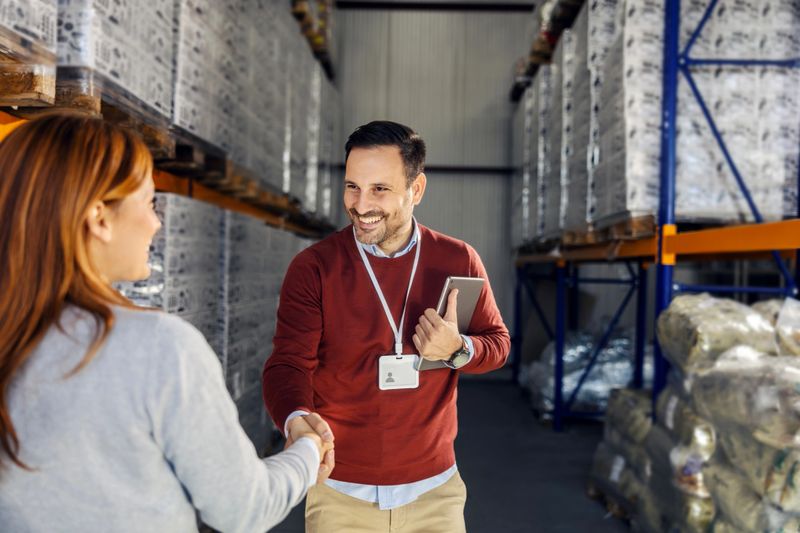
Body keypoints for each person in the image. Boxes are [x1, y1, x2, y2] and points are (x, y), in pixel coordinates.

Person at [0, 114, 334, 533]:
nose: (157, 223)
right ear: (99, 219)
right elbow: (244, 508)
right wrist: (308, 450)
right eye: (149, 203)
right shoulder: (157, 348)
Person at [262, 120, 510, 532]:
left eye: (379, 189)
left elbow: (497, 344)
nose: (361, 205)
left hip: (436, 495)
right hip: (341, 496)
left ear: (416, 189)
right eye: (352, 187)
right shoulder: (314, 268)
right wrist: (295, 418)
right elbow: (288, 363)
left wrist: (458, 349)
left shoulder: (458, 260)